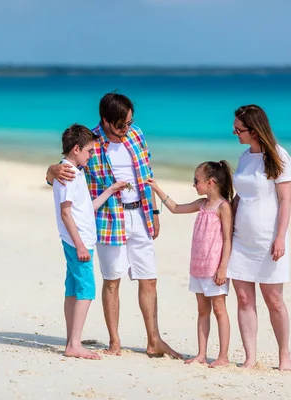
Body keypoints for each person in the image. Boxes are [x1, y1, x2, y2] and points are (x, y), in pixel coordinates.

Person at [46, 93, 180, 359]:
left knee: (149, 278)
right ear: (105, 121)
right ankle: (115, 342)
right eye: (120, 125)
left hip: (139, 213)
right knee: (112, 281)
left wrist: (153, 210)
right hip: (108, 219)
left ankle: (154, 341)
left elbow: (146, 172)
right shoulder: (90, 142)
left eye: (130, 122)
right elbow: (63, 176)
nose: (126, 129)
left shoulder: (136, 135)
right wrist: (51, 171)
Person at [146, 161, 234, 368]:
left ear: (210, 182)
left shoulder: (223, 207)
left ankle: (223, 356)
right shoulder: (201, 204)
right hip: (198, 267)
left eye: (197, 181)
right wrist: (157, 189)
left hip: (214, 269)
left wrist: (223, 267)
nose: (194, 184)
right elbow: (175, 208)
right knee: (202, 311)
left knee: (220, 310)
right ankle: (201, 354)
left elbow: (228, 239)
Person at [227, 104, 291, 371]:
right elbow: (239, 196)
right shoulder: (244, 157)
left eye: (238, 129)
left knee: (274, 300)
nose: (234, 133)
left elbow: (286, 199)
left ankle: (284, 356)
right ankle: (250, 357)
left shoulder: (279, 156)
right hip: (241, 239)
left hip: (268, 239)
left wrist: (280, 237)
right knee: (244, 299)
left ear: (254, 130)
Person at [52, 124, 127, 360]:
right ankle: (74, 343)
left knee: (73, 288)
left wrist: (111, 189)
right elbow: (66, 213)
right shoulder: (68, 174)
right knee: (86, 290)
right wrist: (81, 245)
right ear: (76, 149)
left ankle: (70, 339)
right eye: (89, 151)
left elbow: (86, 208)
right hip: (78, 242)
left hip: (80, 240)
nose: (91, 155)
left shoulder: (77, 171)